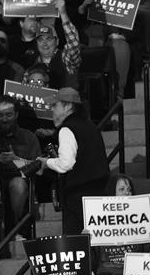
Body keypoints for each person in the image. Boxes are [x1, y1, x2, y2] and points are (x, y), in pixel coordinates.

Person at [32, 87, 110, 235]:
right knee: (95, 244)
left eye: (55, 105)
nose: (52, 110)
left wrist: (45, 162)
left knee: (76, 246)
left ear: (67, 106)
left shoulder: (67, 129)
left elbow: (66, 164)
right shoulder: (91, 126)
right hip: (100, 196)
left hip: (78, 199)